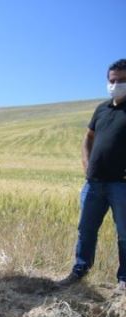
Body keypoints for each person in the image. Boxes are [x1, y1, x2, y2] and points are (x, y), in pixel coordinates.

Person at [59, 58, 126, 292]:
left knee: (124, 233)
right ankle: (79, 272)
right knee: (86, 229)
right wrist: (86, 164)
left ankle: (124, 281)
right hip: (94, 183)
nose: (115, 85)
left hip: (122, 185)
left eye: (121, 81)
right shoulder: (102, 109)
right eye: (112, 80)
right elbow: (88, 138)